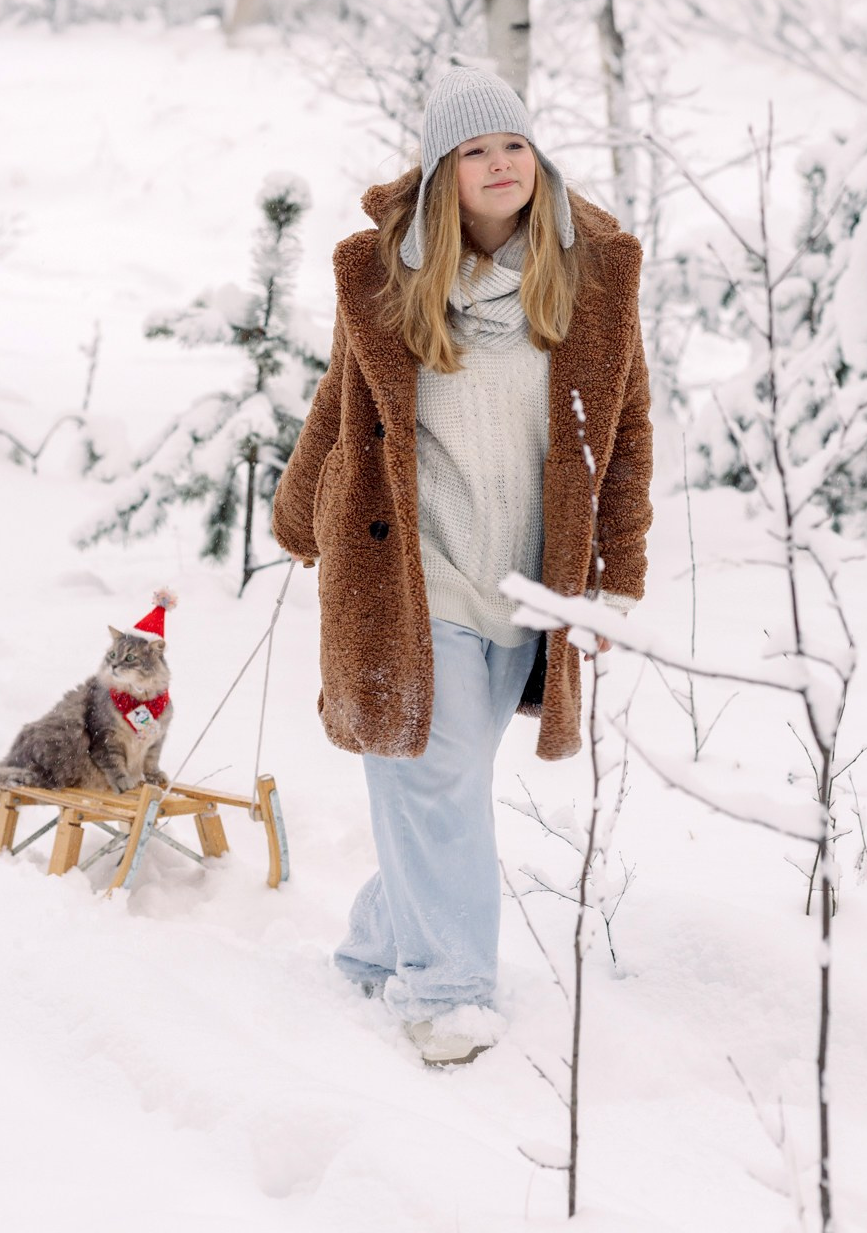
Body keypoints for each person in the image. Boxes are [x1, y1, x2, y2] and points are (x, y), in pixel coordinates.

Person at [272, 66, 654, 1066]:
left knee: (447, 777)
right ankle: (449, 992)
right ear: (443, 172)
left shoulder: (597, 273)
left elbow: (627, 432)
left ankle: (374, 945)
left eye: (513, 145)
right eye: (476, 150)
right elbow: (339, 402)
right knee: (432, 766)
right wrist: (297, 514)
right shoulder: (383, 278)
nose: (499, 164)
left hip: (524, 579)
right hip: (412, 568)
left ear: (536, 159)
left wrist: (617, 572)